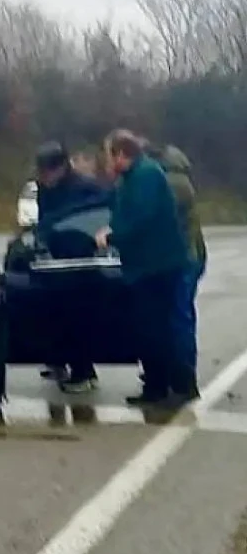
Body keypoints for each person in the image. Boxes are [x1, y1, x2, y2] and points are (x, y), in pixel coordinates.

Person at [96, 130, 194, 405]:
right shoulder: (130, 179)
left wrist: (112, 237)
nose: (107, 162)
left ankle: (174, 386)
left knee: (158, 329)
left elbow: (141, 217)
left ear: (121, 154)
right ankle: (156, 384)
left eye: (108, 155)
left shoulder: (146, 176)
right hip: (144, 266)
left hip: (157, 265)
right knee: (149, 328)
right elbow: (119, 209)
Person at [32, 142, 107, 391]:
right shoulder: (44, 189)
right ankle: (57, 360)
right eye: (42, 172)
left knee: (78, 316)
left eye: (49, 172)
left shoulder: (85, 188)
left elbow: (99, 214)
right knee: (53, 313)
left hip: (80, 260)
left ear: (62, 168)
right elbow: (43, 219)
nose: (45, 177)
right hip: (55, 259)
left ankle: (84, 371)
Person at [151, 143, 205, 391]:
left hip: (183, 259)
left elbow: (158, 216)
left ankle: (184, 381)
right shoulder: (177, 178)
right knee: (177, 316)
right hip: (186, 256)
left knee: (179, 318)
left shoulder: (173, 182)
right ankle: (177, 376)